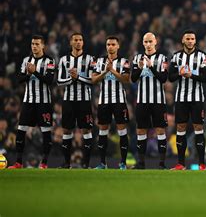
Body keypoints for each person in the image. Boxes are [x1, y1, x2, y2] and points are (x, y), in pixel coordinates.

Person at [8, 35, 56, 169]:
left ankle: (44, 163)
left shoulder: (49, 61)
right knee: (21, 130)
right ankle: (18, 162)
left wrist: (35, 71)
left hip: (44, 102)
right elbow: (19, 79)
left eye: (37, 44)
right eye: (32, 44)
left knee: (46, 132)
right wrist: (29, 74)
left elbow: (50, 80)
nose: (34, 46)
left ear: (43, 46)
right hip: (28, 101)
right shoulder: (26, 60)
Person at [169, 29, 206, 170]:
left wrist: (191, 75)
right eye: (188, 39)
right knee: (180, 128)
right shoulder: (176, 57)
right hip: (181, 98)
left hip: (197, 98)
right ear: (183, 40)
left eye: (192, 39)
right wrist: (180, 74)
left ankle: (202, 164)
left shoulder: (203, 56)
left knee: (198, 128)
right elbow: (170, 77)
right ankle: (181, 163)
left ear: (195, 41)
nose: (190, 41)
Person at [91, 36, 131, 170]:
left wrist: (112, 70)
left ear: (118, 46)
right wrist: (105, 71)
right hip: (104, 101)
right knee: (103, 130)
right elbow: (93, 80)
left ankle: (123, 163)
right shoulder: (99, 61)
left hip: (119, 100)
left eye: (113, 44)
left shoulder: (124, 61)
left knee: (122, 130)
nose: (110, 47)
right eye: (108, 44)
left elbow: (126, 79)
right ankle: (102, 163)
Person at [56, 33, 95, 168]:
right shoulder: (63, 60)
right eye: (75, 40)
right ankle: (66, 163)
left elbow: (92, 80)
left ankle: (86, 164)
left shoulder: (90, 59)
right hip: (69, 100)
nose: (78, 42)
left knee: (86, 131)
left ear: (83, 43)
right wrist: (71, 79)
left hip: (84, 100)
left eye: (80, 40)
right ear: (71, 43)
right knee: (67, 131)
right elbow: (59, 81)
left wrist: (77, 77)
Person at [131, 32, 169, 169]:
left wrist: (151, 66)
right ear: (142, 43)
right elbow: (133, 78)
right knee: (141, 130)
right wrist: (140, 68)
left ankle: (162, 164)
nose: (148, 44)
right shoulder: (137, 58)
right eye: (145, 42)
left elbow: (164, 78)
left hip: (158, 100)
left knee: (160, 130)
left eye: (150, 42)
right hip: (142, 100)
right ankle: (141, 163)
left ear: (155, 42)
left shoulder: (162, 58)